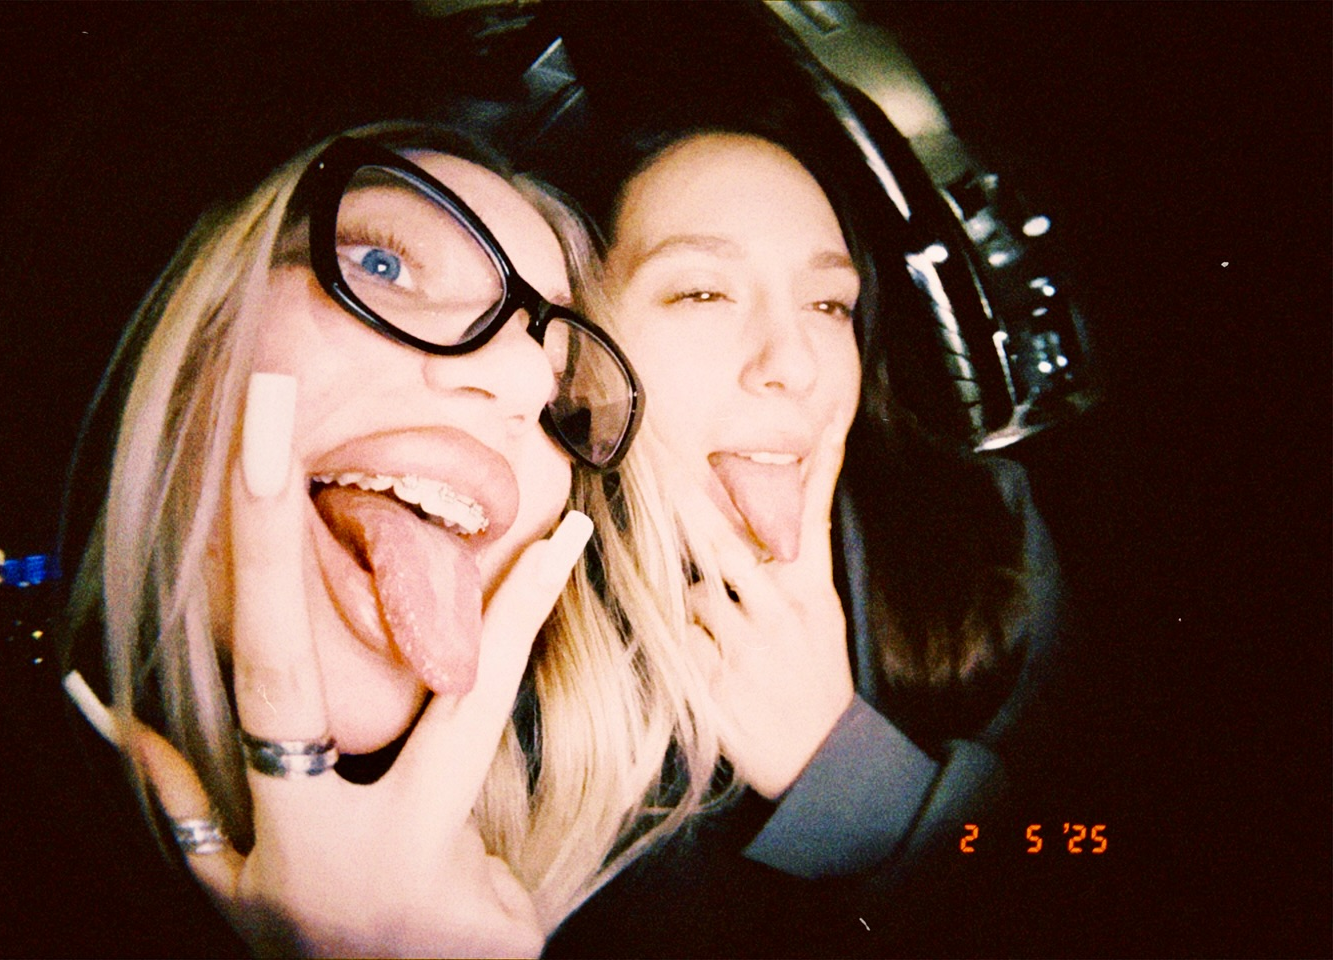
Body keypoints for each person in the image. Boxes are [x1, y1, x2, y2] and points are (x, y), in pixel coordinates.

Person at [57, 121, 715, 956]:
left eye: (559, 381)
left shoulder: (646, 888)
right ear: (188, 346)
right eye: (382, 266)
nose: (522, 381)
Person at [547, 128, 1062, 955]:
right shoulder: (504, 611)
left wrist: (848, 776)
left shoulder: (984, 537)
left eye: (827, 305)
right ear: (576, 347)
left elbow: (1087, 866)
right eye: (703, 294)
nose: (794, 364)